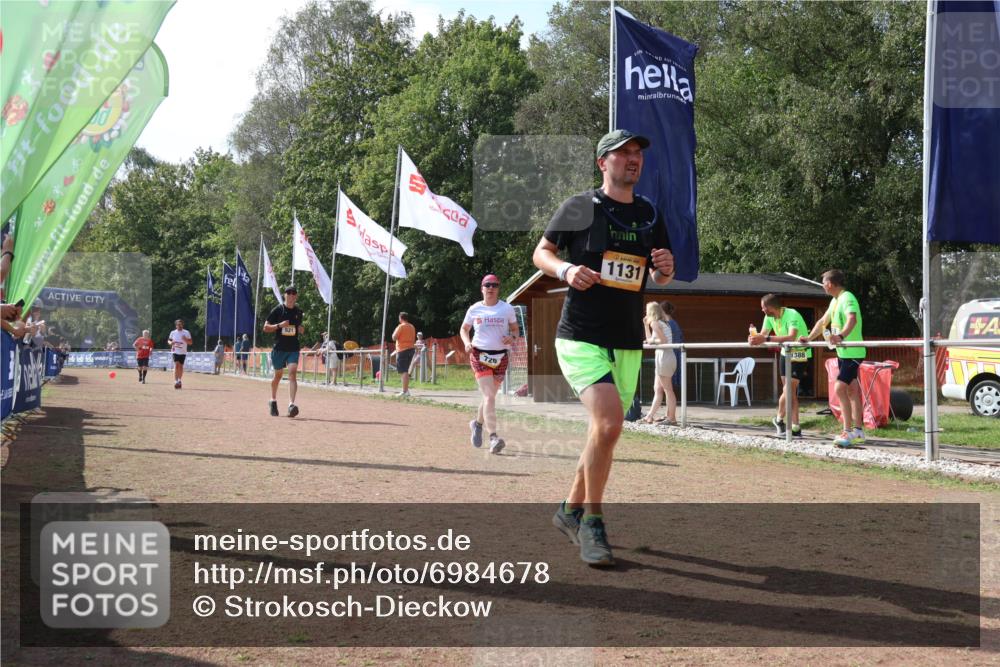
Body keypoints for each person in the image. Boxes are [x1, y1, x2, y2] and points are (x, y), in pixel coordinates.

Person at [532, 129, 675, 566]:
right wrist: (566, 269)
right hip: (580, 336)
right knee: (610, 424)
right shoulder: (580, 206)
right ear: (603, 163)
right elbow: (542, 252)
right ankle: (593, 524)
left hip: (627, 340)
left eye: (637, 154)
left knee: (604, 432)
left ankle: (568, 511)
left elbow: (659, 275)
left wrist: (666, 270)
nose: (632, 160)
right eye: (623, 154)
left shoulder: (650, 213)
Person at [800, 269, 866, 447]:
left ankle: (848, 430)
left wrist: (841, 336)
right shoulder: (835, 301)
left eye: (823, 282)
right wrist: (808, 338)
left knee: (839, 389)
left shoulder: (847, 298)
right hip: (843, 353)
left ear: (829, 284)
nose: (822, 285)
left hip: (853, 352)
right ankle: (858, 430)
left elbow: (851, 319)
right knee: (852, 391)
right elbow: (822, 322)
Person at [460, 274, 520, 455]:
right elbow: (464, 329)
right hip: (479, 355)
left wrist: (513, 337)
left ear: (498, 288)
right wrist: (466, 342)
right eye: (487, 285)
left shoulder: (507, 308)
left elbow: (516, 330)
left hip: (501, 357)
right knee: (489, 397)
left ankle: (477, 424)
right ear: (482, 288)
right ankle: (494, 437)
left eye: (494, 285)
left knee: (489, 397)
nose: (491, 288)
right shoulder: (474, 309)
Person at [749, 294, 811, 436]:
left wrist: (765, 338)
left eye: (763, 307)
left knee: (789, 389)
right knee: (790, 391)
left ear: (770, 307)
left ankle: (778, 419)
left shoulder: (792, 314)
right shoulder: (769, 317)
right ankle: (795, 427)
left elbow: (791, 337)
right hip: (785, 353)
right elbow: (763, 335)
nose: (762, 310)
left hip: (799, 353)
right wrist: (754, 339)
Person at [263, 286, 304, 417]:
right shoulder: (278, 310)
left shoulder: (299, 312)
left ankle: (291, 405)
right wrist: (279, 326)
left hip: (293, 348)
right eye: (289, 293)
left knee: (292, 374)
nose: (291, 295)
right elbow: (265, 327)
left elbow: (298, 328)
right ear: (285, 295)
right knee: (278, 376)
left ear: (296, 296)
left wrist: (301, 329)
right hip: (279, 348)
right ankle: (273, 400)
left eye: (294, 293)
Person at [642, 301, 677, 424]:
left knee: (668, 389)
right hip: (664, 356)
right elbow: (651, 340)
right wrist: (646, 326)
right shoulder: (659, 323)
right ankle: (649, 416)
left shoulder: (656, 323)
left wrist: (653, 341)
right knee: (657, 388)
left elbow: (663, 340)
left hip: (665, 356)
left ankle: (671, 418)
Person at [391, 312, 417, 397]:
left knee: (404, 371)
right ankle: (406, 390)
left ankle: (405, 391)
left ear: (400, 318)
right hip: (411, 349)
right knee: (405, 371)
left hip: (402, 350)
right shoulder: (412, 326)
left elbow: (394, 337)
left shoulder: (401, 326)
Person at [167, 319, 193, 389]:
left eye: (180, 324)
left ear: (182, 325)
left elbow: (190, 342)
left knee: (181, 366)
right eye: (178, 324)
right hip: (175, 351)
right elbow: (169, 340)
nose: (179, 326)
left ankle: (179, 380)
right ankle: (175, 381)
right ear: (176, 325)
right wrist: (170, 343)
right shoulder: (173, 332)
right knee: (176, 365)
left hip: (183, 352)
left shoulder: (186, 332)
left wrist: (185, 339)